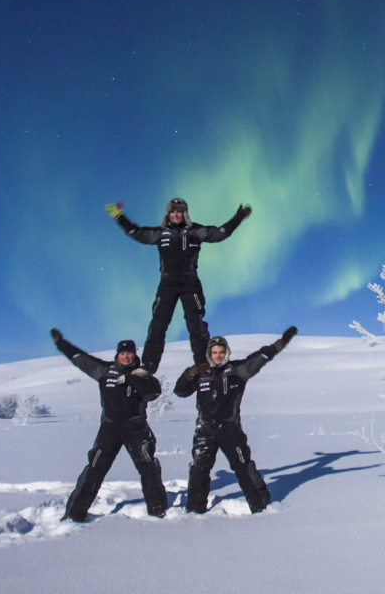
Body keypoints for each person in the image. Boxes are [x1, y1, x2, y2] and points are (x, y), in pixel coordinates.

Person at [105, 198, 251, 373]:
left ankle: (204, 364)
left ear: (185, 213)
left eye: (180, 211)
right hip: (167, 283)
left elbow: (219, 233)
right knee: (158, 324)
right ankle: (148, 367)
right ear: (168, 213)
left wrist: (238, 218)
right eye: (173, 211)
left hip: (190, 282)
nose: (176, 214)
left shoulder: (195, 231)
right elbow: (136, 232)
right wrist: (119, 217)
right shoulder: (160, 233)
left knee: (196, 323)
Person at [174, 326, 297, 514]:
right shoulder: (201, 372)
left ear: (226, 353)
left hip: (230, 430)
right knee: (199, 470)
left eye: (221, 352)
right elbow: (180, 391)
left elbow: (260, 358)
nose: (218, 355)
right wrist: (188, 373)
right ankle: (194, 512)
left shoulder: (237, 370)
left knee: (243, 466)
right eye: (214, 352)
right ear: (209, 353)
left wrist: (281, 343)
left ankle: (260, 505)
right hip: (204, 430)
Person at [50, 328, 167, 521]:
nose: (126, 357)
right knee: (95, 468)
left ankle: (158, 510)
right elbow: (80, 358)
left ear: (135, 355)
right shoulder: (104, 371)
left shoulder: (142, 374)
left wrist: (131, 379)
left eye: (129, 353)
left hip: (136, 428)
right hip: (109, 428)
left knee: (148, 467)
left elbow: (153, 393)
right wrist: (61, 343)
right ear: (117, 355)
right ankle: (74, 514)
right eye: (122, 353)